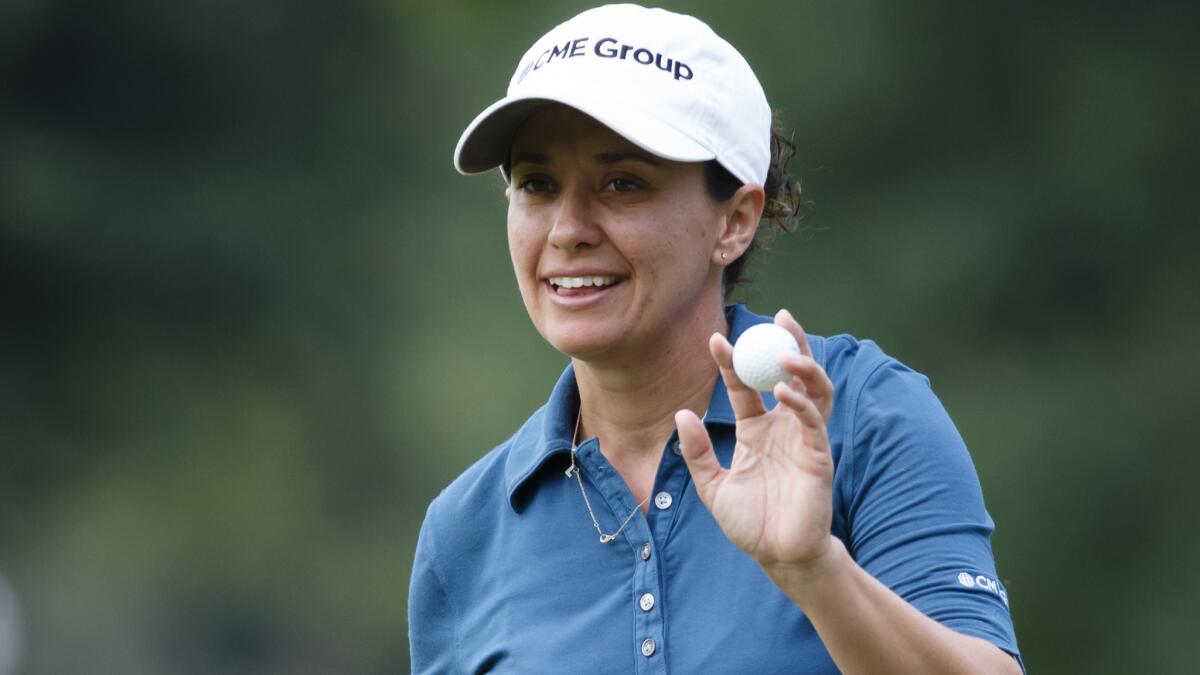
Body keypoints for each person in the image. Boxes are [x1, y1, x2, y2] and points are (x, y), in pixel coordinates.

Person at [409, 5, 1023, 673]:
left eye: (623, 183)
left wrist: (817, 573)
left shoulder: (862, 415)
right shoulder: (463, 531)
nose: (567, 228)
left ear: (733, 221)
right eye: (537, 184)